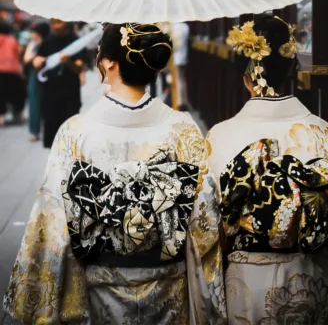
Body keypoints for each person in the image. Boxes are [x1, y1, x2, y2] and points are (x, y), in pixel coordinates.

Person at [4, 22, 226, 324]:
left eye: (99, 51)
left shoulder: (75, 131)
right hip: (168, 283)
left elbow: (53, 219)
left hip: (100, 281)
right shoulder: (182, 128)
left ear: (108, 62)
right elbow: (204, 220)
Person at [207, 16, 328, 324]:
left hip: (245, 286)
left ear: (245, 77)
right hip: (315, 278)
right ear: (291, 70)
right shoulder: (323, 133)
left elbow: (203, 230)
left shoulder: (219, 137)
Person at [32, 19, 86, 148]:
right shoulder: (47, 41)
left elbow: (79, 68)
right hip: (50, 94)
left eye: (57, 22)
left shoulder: (76, 41)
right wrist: (36, 63)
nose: (54, 26)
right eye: (52, 23)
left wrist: (68, 62)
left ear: (66, 22)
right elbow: (39, 65)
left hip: (70, 94)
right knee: (52, 137)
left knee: (71, 135)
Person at [23, 22, 49, 141]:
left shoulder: (49, 42)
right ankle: (35, 132)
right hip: (35, 77)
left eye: (34, 32)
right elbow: (26, 58)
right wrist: (36, 55)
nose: (32, 34)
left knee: (49, 103)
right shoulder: (33, 44)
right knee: (34, 104)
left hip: (49, 76)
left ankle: (50, 129)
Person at [0, 20, 24, 126]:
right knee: (16, 93)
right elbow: (18, 53)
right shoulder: (12, 40)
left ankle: (1, 117)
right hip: (12, 70)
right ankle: (18, 114)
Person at [172, 22, 190, 110]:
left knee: (178, 78)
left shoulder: (174, 26)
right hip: (183, 55)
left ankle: (179, 101)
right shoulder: (185, 27)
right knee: (182, 78)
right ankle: (184, 100)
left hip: (176, 56)